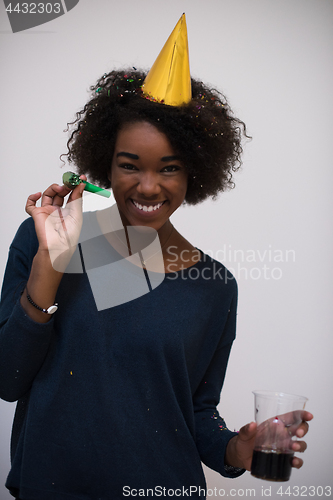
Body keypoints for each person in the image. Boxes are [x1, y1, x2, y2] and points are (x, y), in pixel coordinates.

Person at [0, 16, 312, 500]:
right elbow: (8, 378)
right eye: (130, 166)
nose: (148, 186)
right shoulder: (46, 240)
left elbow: (195, 413)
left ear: (195, 173)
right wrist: (50, 265)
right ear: (105, 161)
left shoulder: (213, 285)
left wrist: (235, 450)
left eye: (169, 169)